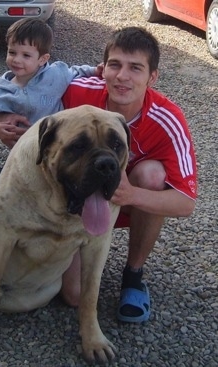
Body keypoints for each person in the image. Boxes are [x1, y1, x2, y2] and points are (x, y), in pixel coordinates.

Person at [60, 26, 197, 322]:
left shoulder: (167, 118)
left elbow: (185, 202)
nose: (122, 76)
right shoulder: (77, 94)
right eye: (115, 65)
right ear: (103, 69)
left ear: (152, 77)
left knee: (152, 174)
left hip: (130, 201)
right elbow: (29, 88)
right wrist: (1, 122)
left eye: (135, 68)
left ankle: (133, 275)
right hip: (81, 196)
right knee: (72, 296)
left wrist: (131, 194)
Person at [0, 18, 101, 202]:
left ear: (43, 59)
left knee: (62, 194)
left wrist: (97, 70)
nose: (16, 59)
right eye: (12, 52)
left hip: (60, 151)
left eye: (26, 55)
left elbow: (76, 71)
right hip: (25, 155)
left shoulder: (56, 75)